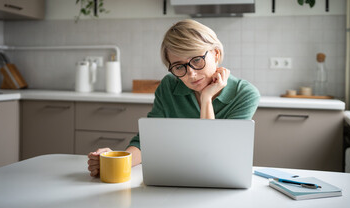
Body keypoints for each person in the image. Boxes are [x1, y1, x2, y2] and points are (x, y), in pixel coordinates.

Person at [87, 19, 260, 177]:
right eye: (179, 67)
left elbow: (216, 157)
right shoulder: (169, 86)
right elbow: (147, 143)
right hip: (175, 178)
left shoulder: (244, 94)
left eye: (197, 60)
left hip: (220, 182)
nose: (191, 73)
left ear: (215, 54)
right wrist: (115, 162)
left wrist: (206, 99)